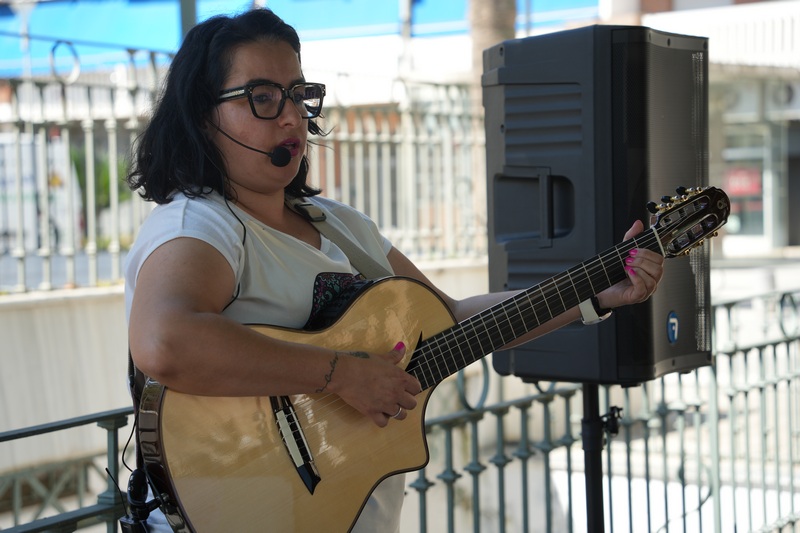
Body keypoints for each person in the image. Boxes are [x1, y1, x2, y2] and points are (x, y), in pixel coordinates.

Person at [123, 7, 664, 532]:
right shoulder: (201, 223)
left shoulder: (341, 225)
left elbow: (450, 318)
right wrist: (341, 375)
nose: (291, 116)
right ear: (202, 117)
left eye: (298, 94)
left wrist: (598, 292)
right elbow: (164, 342)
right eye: (262, 97)